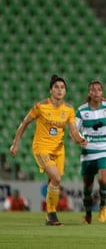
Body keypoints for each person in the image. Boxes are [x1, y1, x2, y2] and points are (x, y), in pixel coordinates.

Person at [9, 75, 87, 225]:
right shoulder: (41, 106)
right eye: (56, 87)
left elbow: (73, 132)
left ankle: (49, 216)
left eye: (62, 87)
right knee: (57, 178)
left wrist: (81, 140)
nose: (59, 90)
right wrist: (15, 143)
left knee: (54, 181)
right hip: (41, 148)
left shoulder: (69, 109)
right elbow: (25, 122)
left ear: (65, 91)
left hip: (58, 150)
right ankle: (52, 215)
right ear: (51, 90)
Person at [76, 80, 106, 224]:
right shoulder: (82, 111)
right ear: (89, 93)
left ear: (102, 92)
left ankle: (103, 205)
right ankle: (88, 214)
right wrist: (79, 139)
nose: (96, 92)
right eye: (93, 90)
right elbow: (74, 130)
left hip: (105, 150)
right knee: (87, 187)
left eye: (99, 89)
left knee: (103, 180)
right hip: (87, 152)